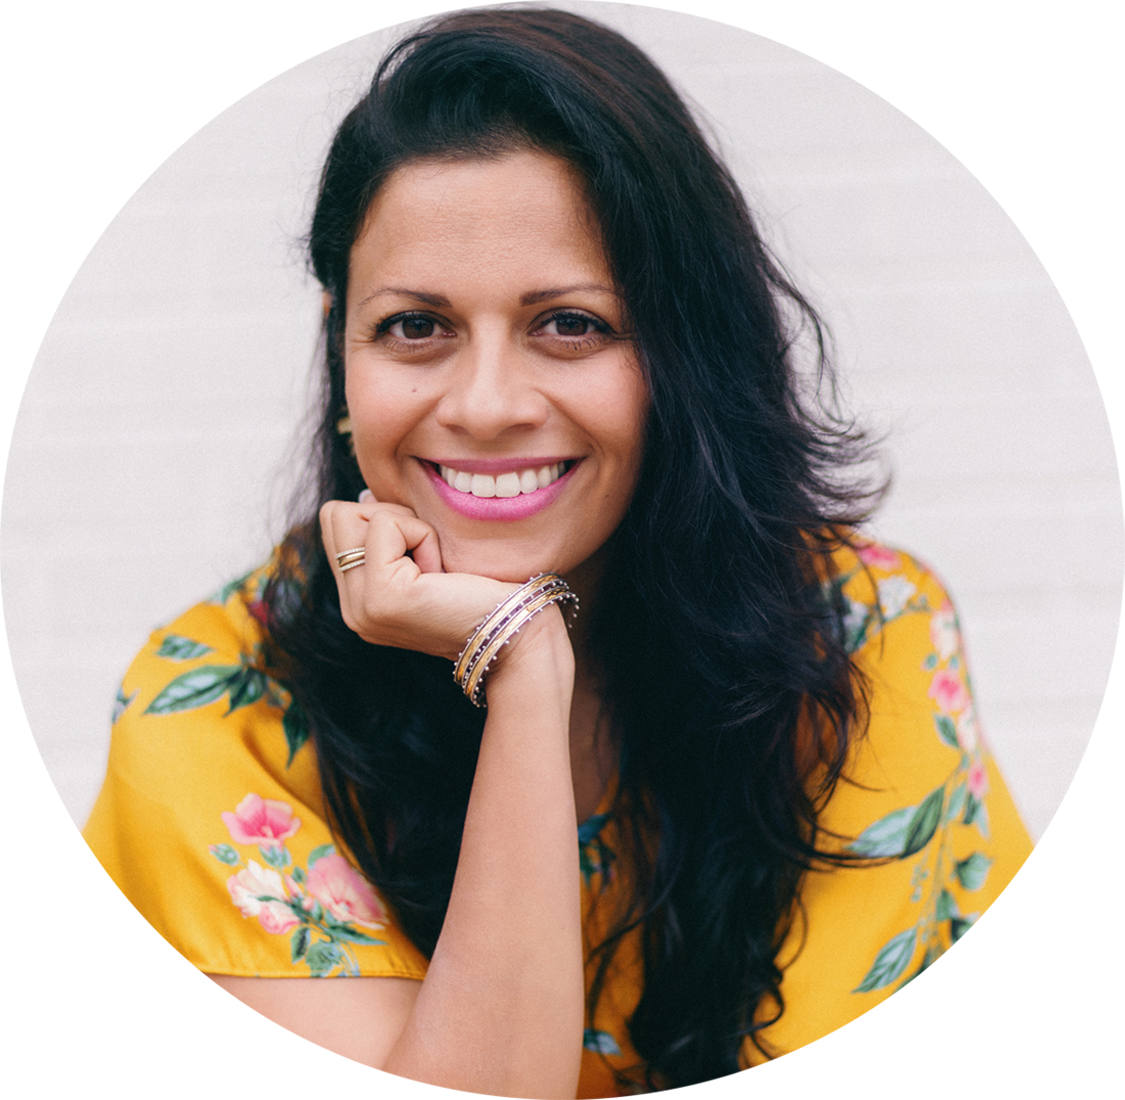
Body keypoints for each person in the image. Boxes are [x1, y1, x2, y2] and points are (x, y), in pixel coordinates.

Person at [83, 7, 1032, 1097]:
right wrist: (522, 661)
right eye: (415, 326)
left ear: (685, 354)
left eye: (570, 323)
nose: (485, 405)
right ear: (344, 362)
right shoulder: (210, 710)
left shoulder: (869, 631)